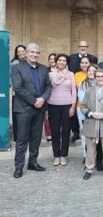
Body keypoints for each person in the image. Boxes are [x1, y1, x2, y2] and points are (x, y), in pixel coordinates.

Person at [11, 43, 52, 178]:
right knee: (22, 139)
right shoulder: (17, 68)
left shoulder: (44, 69)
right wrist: (34, 101)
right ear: (26, 53)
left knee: (35, 139)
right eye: (32, 52)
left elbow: (48, 87)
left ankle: (33, 162)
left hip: (39, 110)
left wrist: (43, 99)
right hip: (23, 109)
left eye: (37, 52)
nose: (34, 54)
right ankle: (19, 167)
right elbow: (18, 87)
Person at [47, 54, 77, 166]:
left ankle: (64, 155)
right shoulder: (50, 74)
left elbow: (73, 90)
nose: (61, 62)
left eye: (64, 60)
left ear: (67, 62)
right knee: (54, 132)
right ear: (56, 61)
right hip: (53, 105)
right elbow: (48, 89)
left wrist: (73, 106)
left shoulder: (71, 74)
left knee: (65, 131)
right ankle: (56, 155)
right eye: (59, 60)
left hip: (67, 105)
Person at [77, 64, 98, 163]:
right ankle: (86, 156)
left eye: (93, 71)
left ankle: (96, 155)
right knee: (84, 135)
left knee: (96, 134)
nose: (91, 72)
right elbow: (82, 99)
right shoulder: (82, 84)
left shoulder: (101, 83)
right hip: (84, 113)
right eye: (89, 70)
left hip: (98, 114)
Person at [71, 55, 92, 144]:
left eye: (86, 63)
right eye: (82, 63)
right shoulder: (76, 75)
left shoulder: (93, 74)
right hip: (80, 107)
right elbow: (75, 90)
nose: (84, 65)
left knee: (92, 132)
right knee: (83, 131)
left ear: (90, 64)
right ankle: (85, 155)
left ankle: (93, 154)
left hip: (93, 108)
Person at [10, 44, 27, 142]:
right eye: (18, 51)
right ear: (16, 53)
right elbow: (9, 78)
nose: (21, 53)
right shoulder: (13, 63)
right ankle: (17, 136)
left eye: (22, 51)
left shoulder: (30, 62)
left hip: (28, 93)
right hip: (16, 93)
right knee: (17, 115)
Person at [43, 53, 57, 142]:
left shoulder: (61, 70)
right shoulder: (45, 70)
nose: (52, 60)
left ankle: (56, 132)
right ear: (48, 61)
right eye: (50, 59)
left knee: (56, 116)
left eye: (54, 58)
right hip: (47, 95)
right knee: (47, 116)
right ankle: (49, 134)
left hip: (58, 96)